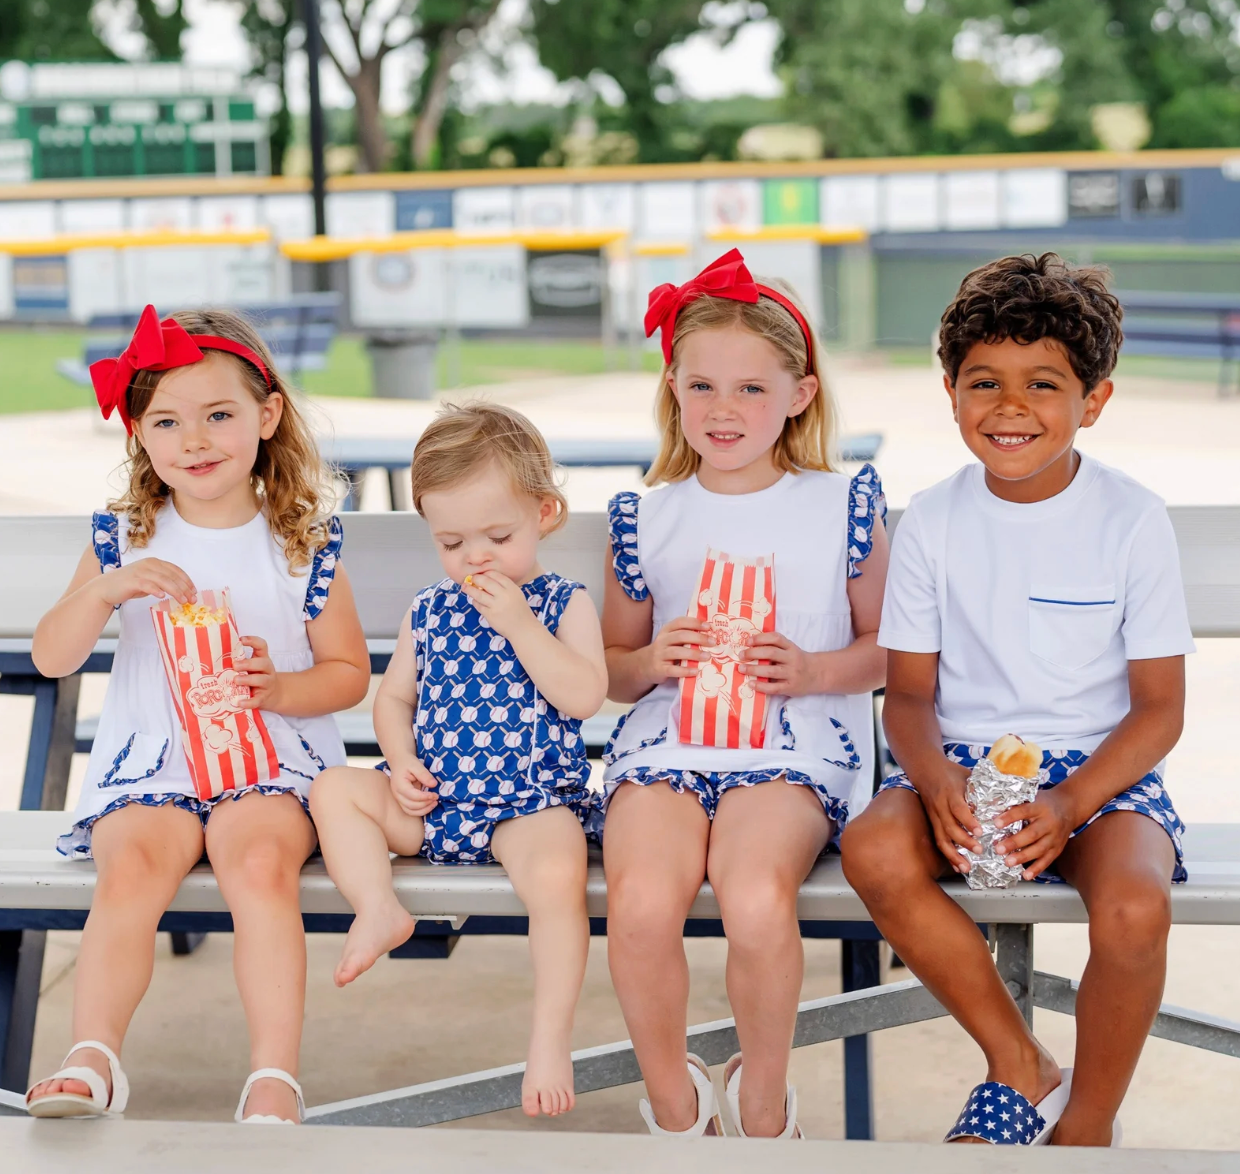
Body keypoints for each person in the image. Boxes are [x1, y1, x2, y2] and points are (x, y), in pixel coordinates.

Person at [841, 253, 1194, 1147]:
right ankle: (1019, 1061)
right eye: (983, 382)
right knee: (874, 852)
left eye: (1044, 383)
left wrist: (1075, 800)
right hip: (960, 768)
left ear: (1095, 401)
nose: (1010, 407)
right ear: (950, 392)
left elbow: (1159, 708)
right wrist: (930, 783)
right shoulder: (930, 521)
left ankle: (1086, 1126)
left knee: (1133, 907)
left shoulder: (1131, 519)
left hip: (1099, 778)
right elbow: (909, 699)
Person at [24, 307, 370, 1124]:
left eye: (220, 414)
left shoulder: (302, 543)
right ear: (139, 432)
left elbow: (349, 673)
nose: (196, 439)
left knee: (258, 867)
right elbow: (51, 657)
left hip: (268, 765)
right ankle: (92, 1056)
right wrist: (105, 589)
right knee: (133, 868)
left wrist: (281, 688)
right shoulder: (122, 538)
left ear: (268, 414)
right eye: (168, 421)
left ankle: (273, 1077)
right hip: (154, 763)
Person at [600, 249, 888, 1138]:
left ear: (800, 395)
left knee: (753, 893)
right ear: (673, 389)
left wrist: (813, 671)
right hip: (670, 742)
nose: (724, 411)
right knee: (643, 901)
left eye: (753, 390)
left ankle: (764, 1103)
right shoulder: (647, 515)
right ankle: (677, 1108)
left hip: (795, 745)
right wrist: (648, 665)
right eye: (703, 387)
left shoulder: (841, 504)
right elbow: (608, 665)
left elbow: (890, 652)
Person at [310, 402, 606, 1119]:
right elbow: (392, 700)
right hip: (436, 802)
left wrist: (519, 623)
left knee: (559, 877)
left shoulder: (562, 604)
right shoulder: (430, 610)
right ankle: (378, 908)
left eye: (498, 536)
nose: (475, 556)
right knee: (332, 789)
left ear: (546, 513)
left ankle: (548, 1038)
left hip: (527, 807)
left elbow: (585, 696)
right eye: (451, 541)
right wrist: (401, 759)